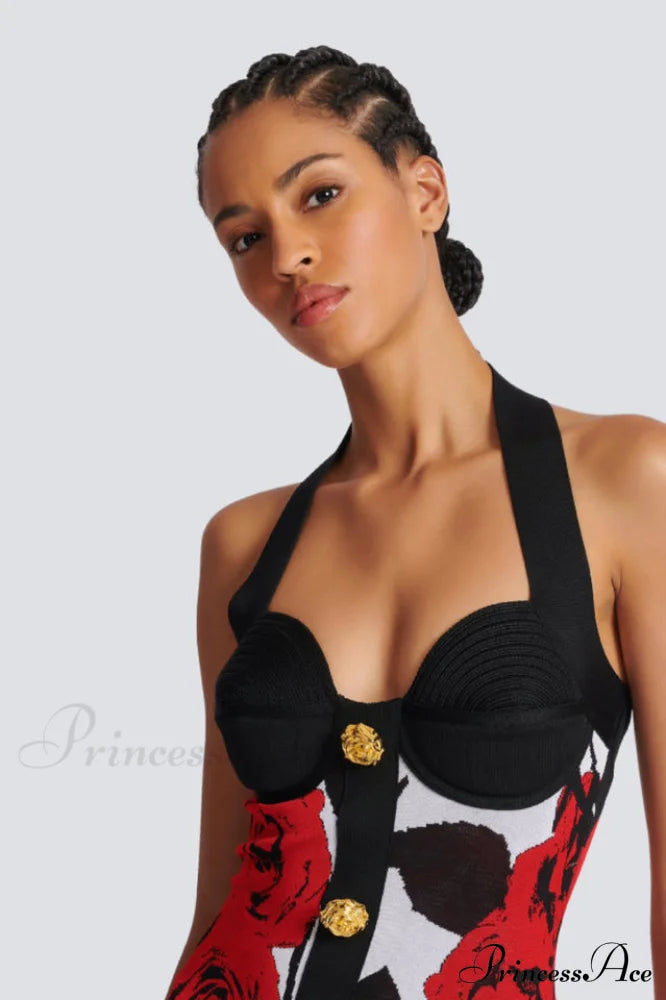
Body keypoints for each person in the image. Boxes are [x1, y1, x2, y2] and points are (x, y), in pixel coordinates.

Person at [164, 44, 665, 1000]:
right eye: (245, 237)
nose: (286, 255)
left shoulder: (627, 483)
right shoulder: (244, 546)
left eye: (319, 195)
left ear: (425, 190)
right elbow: (218, 908)